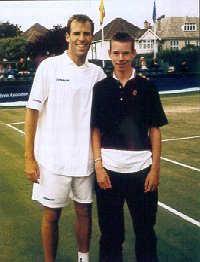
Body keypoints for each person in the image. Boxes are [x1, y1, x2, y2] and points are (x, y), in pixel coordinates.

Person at [24, 14, 105, 262]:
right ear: (68, 36)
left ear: (91, 37)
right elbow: (32, 112)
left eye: (86, 34)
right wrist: (29, 157)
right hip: (52, 160)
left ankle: (84, 258)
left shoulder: (98, 73)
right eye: (77, 33)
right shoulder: (49, 67)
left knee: (84, 211)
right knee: (52, 215)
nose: (82, 38)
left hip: (85, 160)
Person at [91, 32, 168, 262]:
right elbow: (95, 130)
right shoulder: (101, 88)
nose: (121, 57)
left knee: (145, 233)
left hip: (142, 172)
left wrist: (155, 169)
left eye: (126, 52)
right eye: (116, 52)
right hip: (109, 174)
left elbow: (155, 129)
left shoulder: (147, 87)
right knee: (111, 236)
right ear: (110, 54)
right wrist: (99, 167)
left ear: (134, 53)